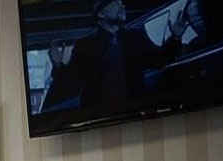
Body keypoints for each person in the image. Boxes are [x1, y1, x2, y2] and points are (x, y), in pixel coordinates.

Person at [41, 0, 189, 113]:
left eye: (122, 2)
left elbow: (159, 60)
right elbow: (72, 81)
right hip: (100, 116)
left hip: (135, 113)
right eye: (115, 3)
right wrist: (57, 64)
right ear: (101, 13)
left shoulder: (135, 37)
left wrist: (175, 37)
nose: (122, 5)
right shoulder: (85, 45)